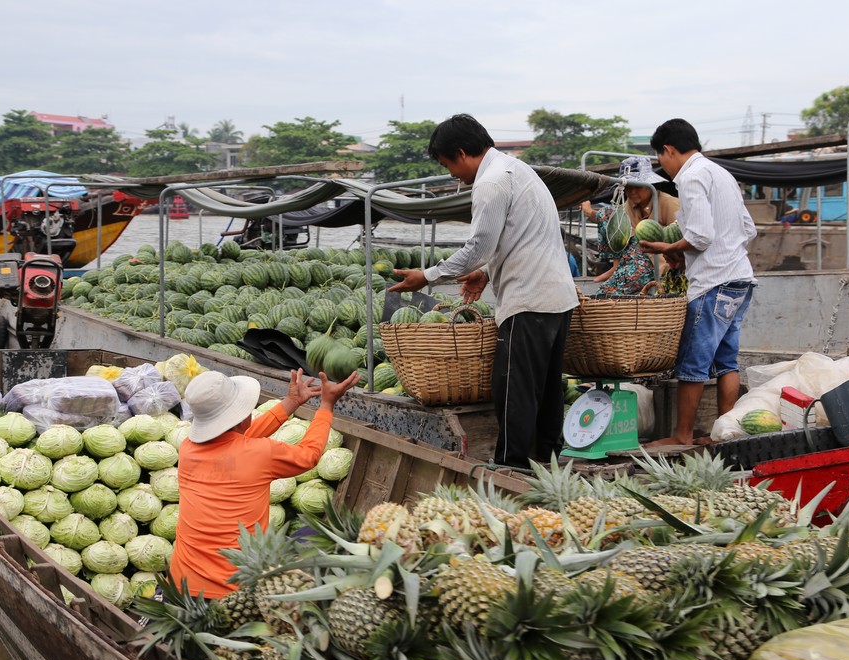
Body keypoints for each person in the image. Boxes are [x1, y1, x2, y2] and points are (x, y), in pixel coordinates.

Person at [387, 114, 609, 468]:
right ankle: (547, 464)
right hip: (556, 297)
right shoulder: (517, 170)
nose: (451, 175)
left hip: (529, 300)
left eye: (448, 164)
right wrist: (487, 273)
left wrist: (426, 276)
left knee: (513, 387)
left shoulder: (490, 182)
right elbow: (522, 236)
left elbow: (478, 245)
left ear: (462, 153)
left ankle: (511, 465)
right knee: (547, 388)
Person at [170, 368, 359, 598]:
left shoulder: (188, 449)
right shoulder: (261, 453)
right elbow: (309, 454)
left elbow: (243, 438)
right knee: (314, 533)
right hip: (236, 590)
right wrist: (327, 406)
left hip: (182, 584)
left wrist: (291, 402)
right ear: (242, 415)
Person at [639, 118, 758, 447]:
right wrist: (687, 254)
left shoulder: (690, 177)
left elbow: (701, 236)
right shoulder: (722, 173)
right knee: (727, 361)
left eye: (660, 158)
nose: (663, 166)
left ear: (669, 150)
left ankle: (682, 435)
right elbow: (748, 230)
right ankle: (726, 433)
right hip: (740, 278)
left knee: (693, 361)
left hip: (712, 284)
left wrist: (668, 247)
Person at [580, 156, 680, 295]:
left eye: (637, 187)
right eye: (628, 187)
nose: (632, 192)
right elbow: (612, 224)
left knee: (611, 293)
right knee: (608, 214)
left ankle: (619, 270)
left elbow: (679, 239)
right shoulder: (627, 206)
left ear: (648, 185)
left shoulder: (669, 203)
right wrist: (589, 211)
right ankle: (615, 266)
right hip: (631, 260)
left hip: (657, 263)